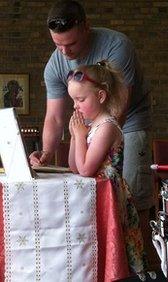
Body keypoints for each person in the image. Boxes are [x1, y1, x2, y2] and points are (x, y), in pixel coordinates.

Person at [29, 0, 154, 267]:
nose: (64, 51)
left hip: (127, 122)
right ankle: (107, 262)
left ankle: (143, 267)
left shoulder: (117, 46)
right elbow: (54, 116)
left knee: (132, 196)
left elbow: (117, 107)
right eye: (57, 44)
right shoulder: (55, 64)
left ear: (86, 28)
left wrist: (91, 139)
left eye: (70, 45)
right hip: (89, 126)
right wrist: (48, 152)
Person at [67, 60, 146, 279]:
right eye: (73, 100)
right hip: (96, 196)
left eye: (80, 99)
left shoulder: (107, 127)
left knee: (110, 243)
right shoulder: (91, 127)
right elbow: (74, 166)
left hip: (109, 197)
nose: (75, 106)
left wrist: (81, 136)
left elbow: (85, 169)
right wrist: (76, 136)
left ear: (100, 96)